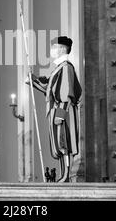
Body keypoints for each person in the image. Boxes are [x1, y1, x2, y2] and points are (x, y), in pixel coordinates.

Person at [26, 36, 81, 182]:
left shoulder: (66, 67)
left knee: (65, 143)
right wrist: (32, 80)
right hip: (57, 110)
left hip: (64, 111)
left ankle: (67, 175)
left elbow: (66, 93)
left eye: (54, 47)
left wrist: (61, 114)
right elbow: (49, 89)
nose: (52, 50)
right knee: (59, 144)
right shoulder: (58, 69)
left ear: (63, 49)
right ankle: (64, 173)